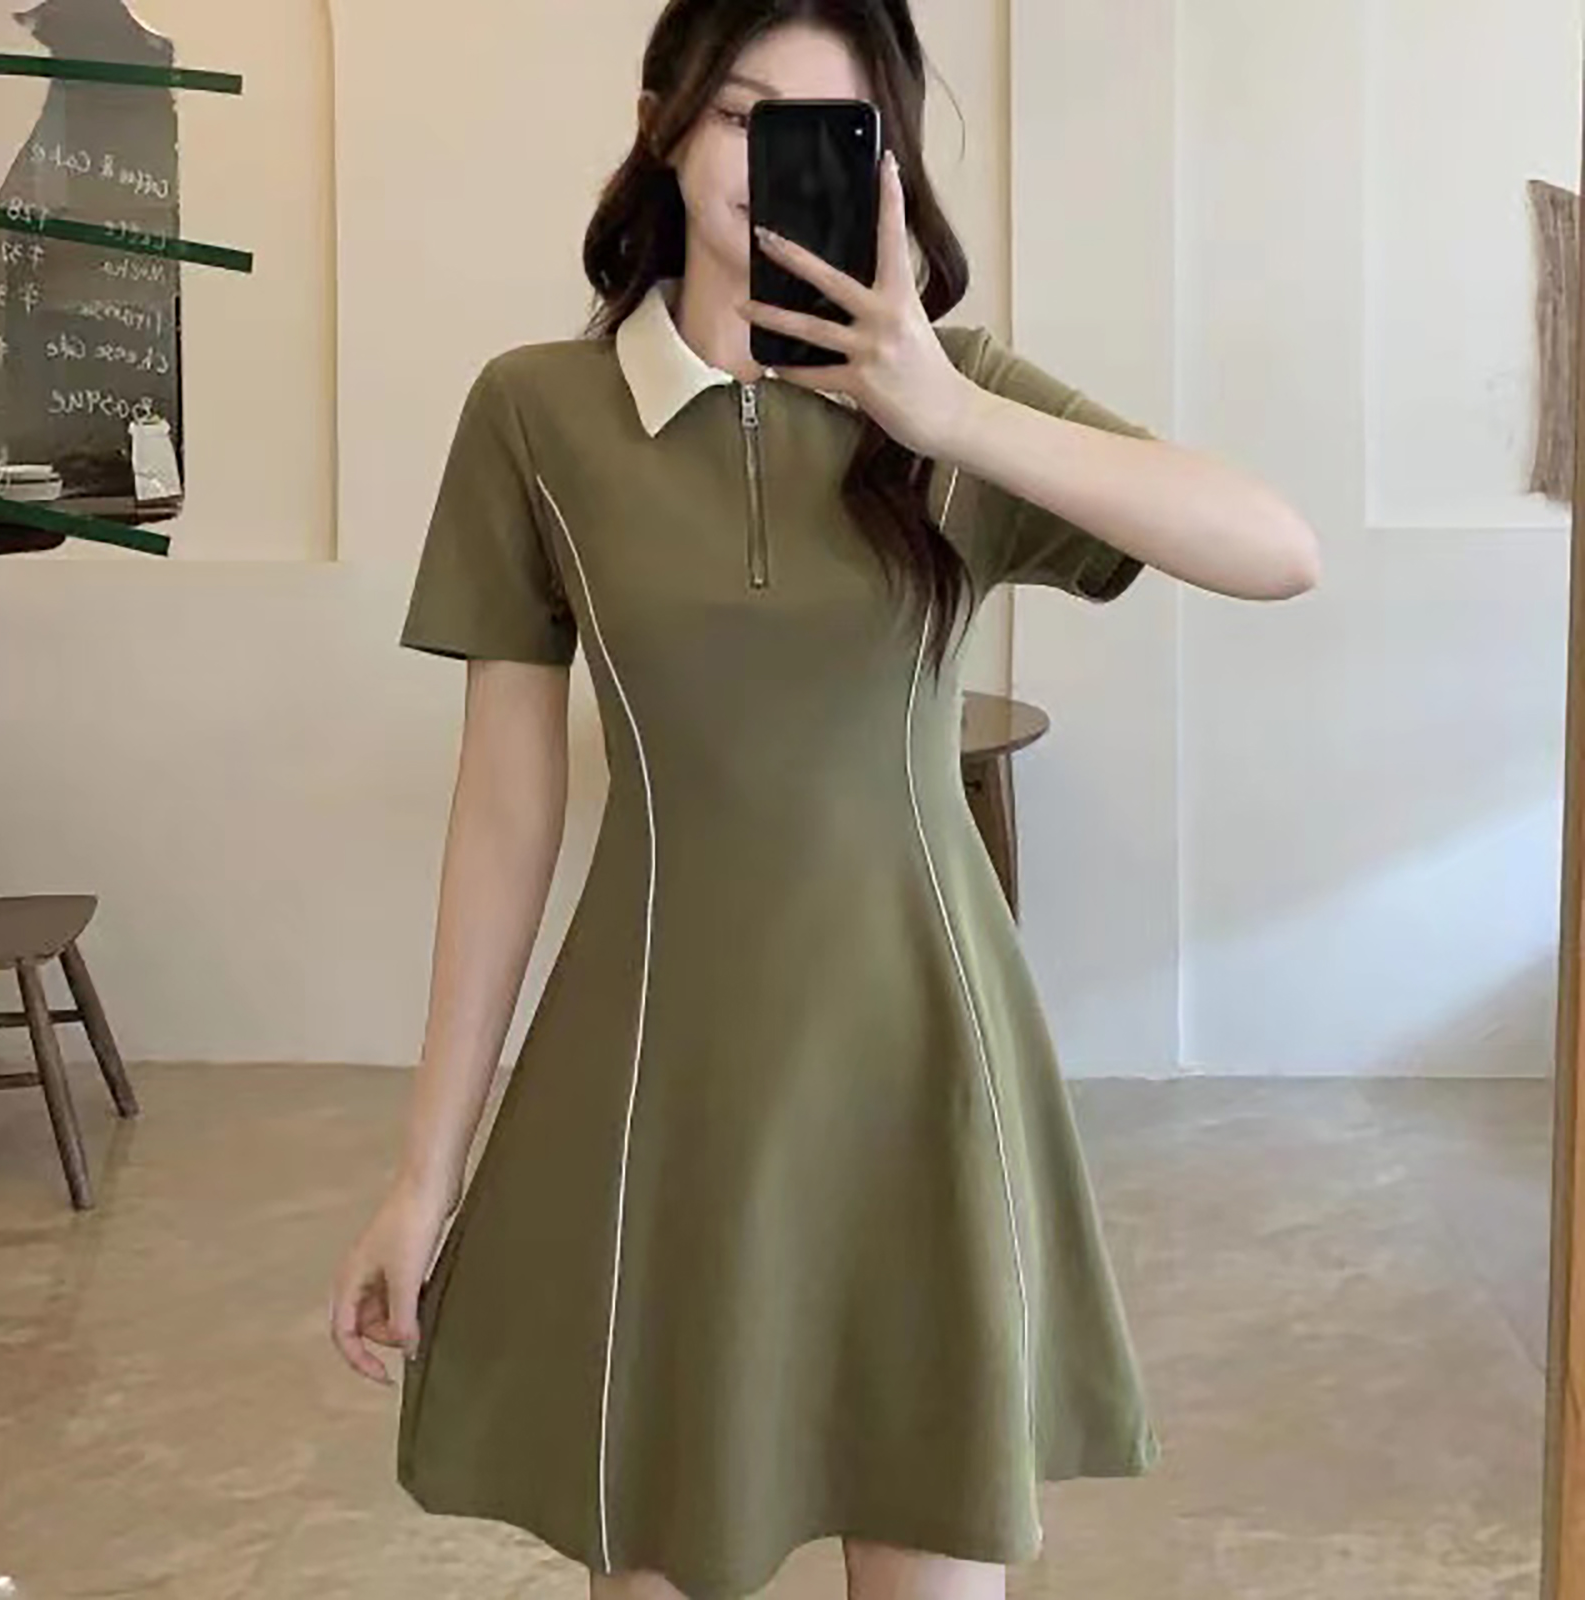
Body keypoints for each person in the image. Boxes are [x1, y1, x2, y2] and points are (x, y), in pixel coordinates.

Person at [328, 4, 1321, 1598]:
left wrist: (948, 415)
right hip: (660, 1066)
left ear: (882, 161)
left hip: (922, 1056)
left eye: (828, 125)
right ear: (660, 122)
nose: (766, 157)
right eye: (740, 113)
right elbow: (504, 814)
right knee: (662, 1542)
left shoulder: (955, 394)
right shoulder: (536, 414)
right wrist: (422, 1173)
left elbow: (1277, 549)